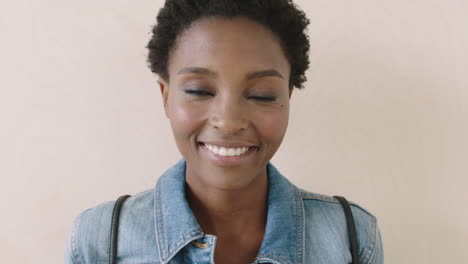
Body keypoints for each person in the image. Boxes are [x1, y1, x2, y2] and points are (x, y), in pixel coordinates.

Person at [65, 0, 384, 263]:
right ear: (166, 96)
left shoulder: (350, 236)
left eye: (261, 95)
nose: (229, 121)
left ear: (287, 98)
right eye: (200, 91)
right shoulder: (101, 239)